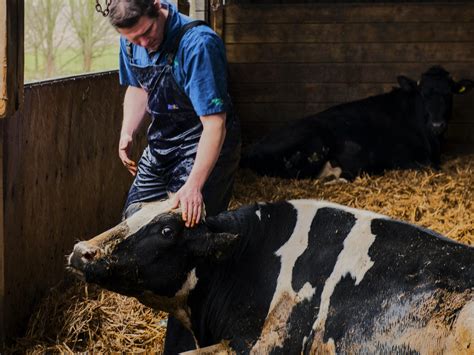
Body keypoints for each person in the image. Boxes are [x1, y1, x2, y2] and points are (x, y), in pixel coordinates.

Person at [108, 0, 241, 230]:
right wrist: (127, 130)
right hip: (163, 144)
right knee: (133, 222)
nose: (143, 43)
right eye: (134, 39)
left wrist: (194, 185)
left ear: (158, 7)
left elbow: (214, 124)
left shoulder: (199, 44)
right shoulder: (129, 43)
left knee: (190, 229)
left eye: (147, 32)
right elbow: (138, 87)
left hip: (204, 142)